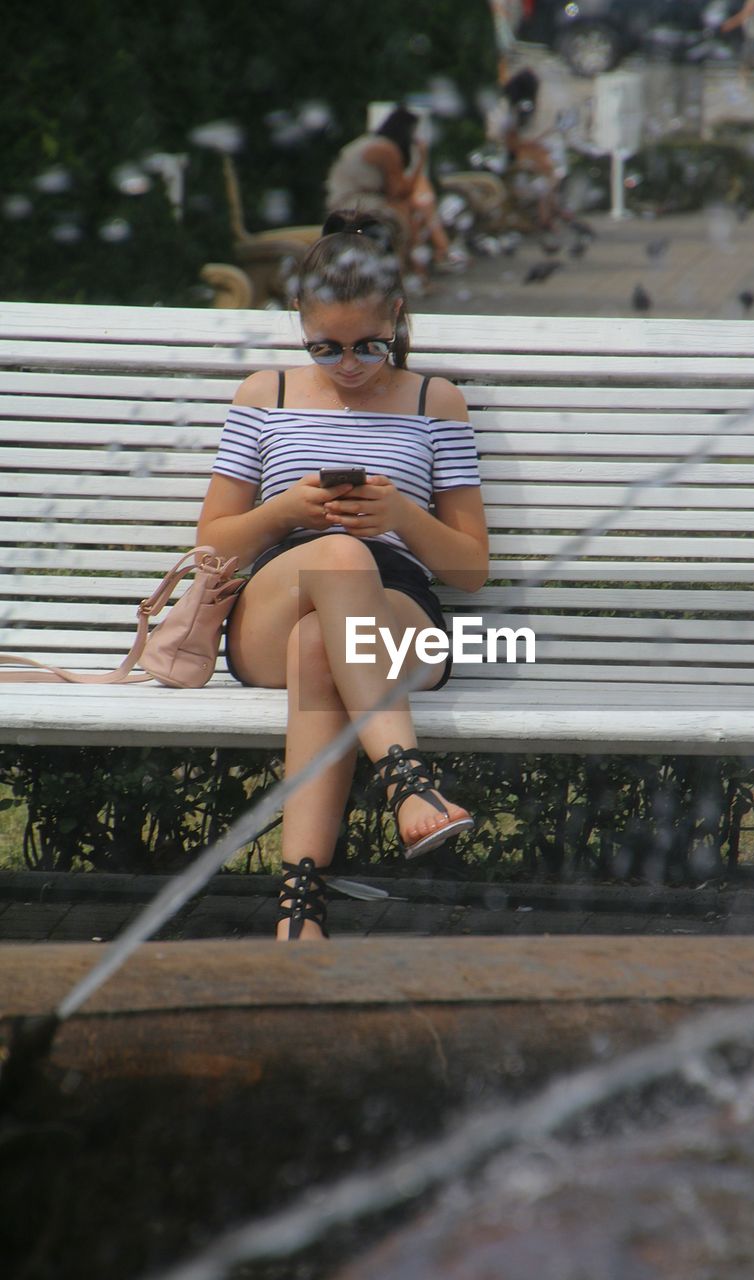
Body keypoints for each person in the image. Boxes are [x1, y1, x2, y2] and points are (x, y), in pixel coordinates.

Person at [196, 211, 489, 941]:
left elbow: (471, 570)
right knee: (334, 554)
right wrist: (286, 510)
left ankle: (299, 910)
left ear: (396, 314)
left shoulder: (434, 401)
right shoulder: (266, 396)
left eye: (368, 345)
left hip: (396, 611)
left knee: (318, 648)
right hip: (278, 591)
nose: (349, 364)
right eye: (324, 346)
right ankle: (406, 780)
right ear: (297, 319)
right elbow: (211, 548)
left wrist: (401, 515)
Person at [324, 106, 462, 279]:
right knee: (402, 209)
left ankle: (424, 260)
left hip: (343, 199)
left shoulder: (370, 142)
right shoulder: (387, 149)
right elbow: (400, 191)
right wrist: (421, 159)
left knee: (411, 207)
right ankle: (410, 265)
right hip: (354, 201)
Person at [486, 67, 570, 231]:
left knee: (546, 167)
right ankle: (546, 216)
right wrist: (534, 147)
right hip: (506, 159)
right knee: (545, 169)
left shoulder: (517, 110)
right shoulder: (509, 112)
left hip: (516, 156)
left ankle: (548, 213)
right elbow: (511, 143)